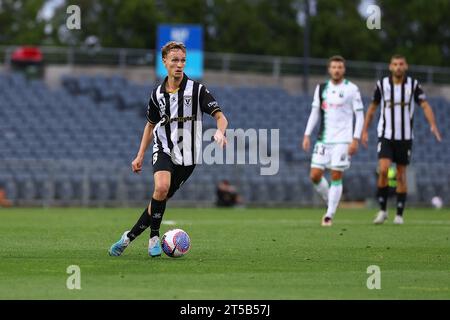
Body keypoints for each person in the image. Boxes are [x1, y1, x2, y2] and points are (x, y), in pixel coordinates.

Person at [109, 41, 228, 256]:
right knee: (161, 188)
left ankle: (128, 237)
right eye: (174, 60)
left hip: (189, 157)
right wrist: (139, 155)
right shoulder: (157, 95)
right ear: (164, 62)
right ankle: (154, 237)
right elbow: (150, 125)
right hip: (163, 147)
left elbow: (220, 117)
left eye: (182, 60)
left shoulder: (197, 90)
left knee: (159, 199)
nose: (179, 64)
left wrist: (220, 131)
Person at [362, 54, 442, 225]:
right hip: (386, 135)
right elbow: (372, 108)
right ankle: (383, 210)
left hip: (405, 138)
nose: (398, 67)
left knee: (401, 175)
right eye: (395, 64)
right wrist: (364, 130)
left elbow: (425, 105)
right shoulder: (382, 85)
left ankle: (399, 214)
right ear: (390, 67)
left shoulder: (413, 85)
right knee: (383, 170)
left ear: (406, 66)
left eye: (401, 64)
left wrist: (433, 124)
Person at [302, 55, 364, 226]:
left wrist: (355, 139)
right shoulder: (321, 88)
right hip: (323, 139)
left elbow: (359, 115)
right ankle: (331, 200)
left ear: (344, 70)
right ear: (329, 69)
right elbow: (315, 112)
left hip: (343, 140)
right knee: (314, 176)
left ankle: (329, 214)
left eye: (340, 67)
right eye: (334, 67)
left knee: (336, 174)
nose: (337, 70)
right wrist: (307, 134)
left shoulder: (352, 89)